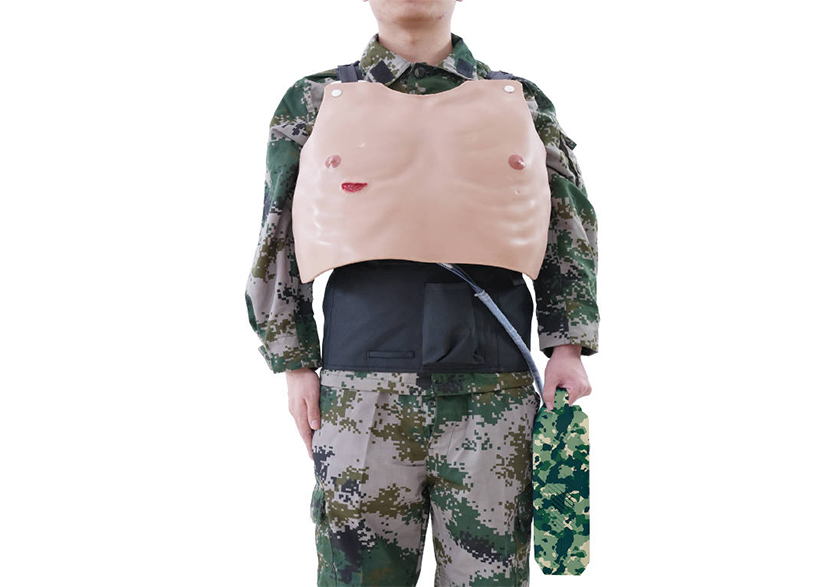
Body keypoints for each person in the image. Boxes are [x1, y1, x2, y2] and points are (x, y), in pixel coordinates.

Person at [245, 1, 598, 585]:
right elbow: (277, 232)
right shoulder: (313, 100)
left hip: (496, 394)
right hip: (359, 392)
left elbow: (568, 228)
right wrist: (294, 362)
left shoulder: (522, 101)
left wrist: (568, 347)